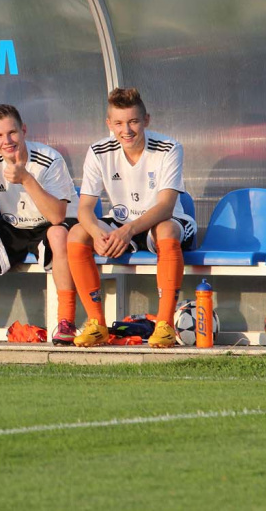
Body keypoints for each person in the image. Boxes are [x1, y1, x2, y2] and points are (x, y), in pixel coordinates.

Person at [68, 87, 196, 348]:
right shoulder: (98, 151)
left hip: (165, 222)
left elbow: (166, 207)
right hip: (123, 224)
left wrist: (127, 231)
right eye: (118, 123)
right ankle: (96, 325)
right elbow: (84, 209)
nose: (126, 130)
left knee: (166, 230)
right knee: (77, 233)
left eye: (133, 121)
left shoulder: (170, 148)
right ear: (109, 124)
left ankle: (165, 325)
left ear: (146, 120)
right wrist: (96, 233)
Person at [0, 104, 79, 344]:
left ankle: (66, 322)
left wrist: (26, 179)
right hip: (15, 226)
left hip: (53, 225)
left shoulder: (49, 158)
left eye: (12, 133)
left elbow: (57, 216)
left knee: (57, 234)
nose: (7, 141)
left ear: (24, 131)